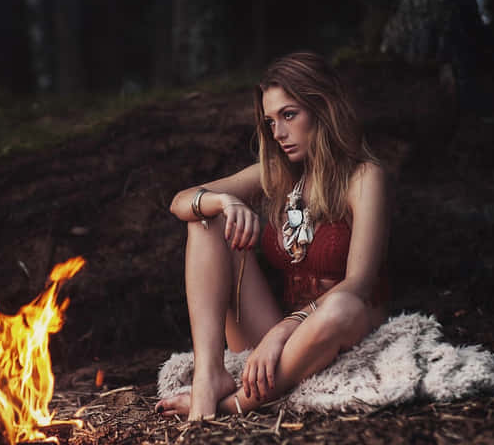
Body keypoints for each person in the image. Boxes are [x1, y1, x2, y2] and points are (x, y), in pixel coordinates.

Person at [156, 51, 389, 420]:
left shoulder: (363, 177)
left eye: (289, 115)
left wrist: (285, 329)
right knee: (206, 221)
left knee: (341, 309)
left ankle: (233, 406)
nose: (278, 133)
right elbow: (180, 202)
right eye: (270, 121)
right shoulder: (277, 174)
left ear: (323, 109)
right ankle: (208, 375)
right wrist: (223, 202)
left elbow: (359, 283)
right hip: (279, 334)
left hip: (338, 329)